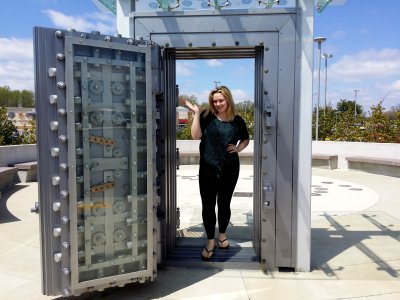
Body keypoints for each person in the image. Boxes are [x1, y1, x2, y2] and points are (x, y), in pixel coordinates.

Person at [184, 86, 250, 260]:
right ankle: (211, 241)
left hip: (230, 168)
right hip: (207, 169)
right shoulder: (207, 117)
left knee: (224, 203)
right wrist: (196, 114)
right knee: (207, 205)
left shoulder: (238, 120)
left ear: (228, 100)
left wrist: (237, 149)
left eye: (221, 100)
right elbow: (195, 136)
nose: (218, 103)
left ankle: (222, 235)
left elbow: (245, 138)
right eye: (215, 101)